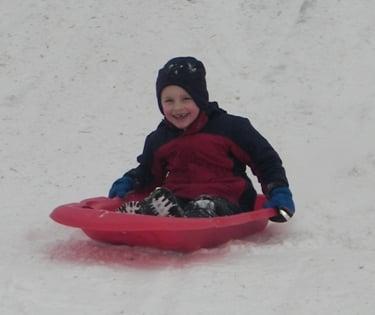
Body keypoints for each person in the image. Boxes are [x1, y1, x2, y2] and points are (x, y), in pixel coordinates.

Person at [108, 56, 295, 222]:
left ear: (200, 98)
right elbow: (148, 174)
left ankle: (180, 219)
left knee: (205, 206)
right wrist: (131, 182)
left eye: (186, 98)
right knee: (162, 199)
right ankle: (150, 215)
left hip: (228, 201)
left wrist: (278, 190)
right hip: (179, 200)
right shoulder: (159, 139)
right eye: (169, 101)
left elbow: (264, 160)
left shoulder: (231, 128)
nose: (178, 108)